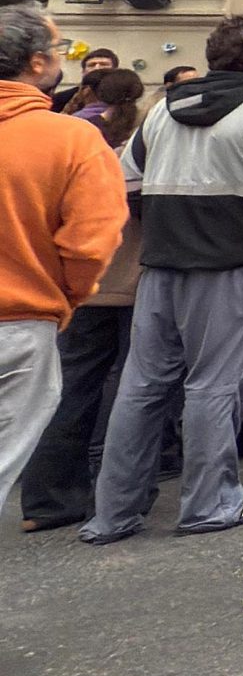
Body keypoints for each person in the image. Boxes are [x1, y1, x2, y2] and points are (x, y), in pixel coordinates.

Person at [82, 11, 243, 545]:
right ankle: (209, 503)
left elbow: (126, 184)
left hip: (161, 263)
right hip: (231, 265)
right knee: (217, 384)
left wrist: (168, 225)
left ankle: (113, 512)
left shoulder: (162, 111)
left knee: (142, 386)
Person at [0, 6, 126, 517]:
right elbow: (90, 243)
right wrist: (67, 298)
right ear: (35, 62)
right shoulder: (70, 138)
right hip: (21, 321)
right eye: (57, 50)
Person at [19, 68, 146, 529]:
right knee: (132, 389)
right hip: (129, 281)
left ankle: (46, 501)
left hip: (83, 290)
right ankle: (117, 494)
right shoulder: (130, 149)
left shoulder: (64, 136)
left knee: (69, 391)